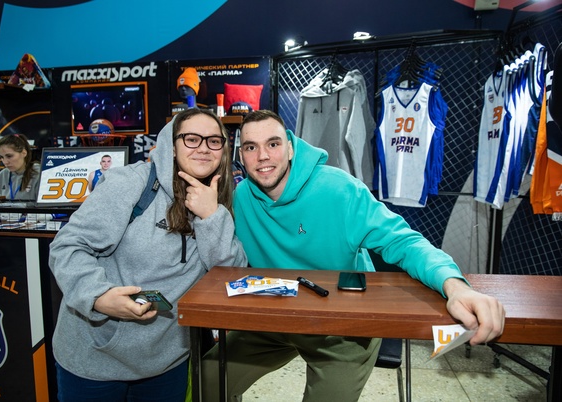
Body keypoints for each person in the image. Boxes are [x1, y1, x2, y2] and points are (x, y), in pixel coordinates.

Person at [202, 110, 505, 402]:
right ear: (240, 155)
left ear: (291, 148)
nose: (262, 156)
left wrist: (456, 286)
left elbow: (404, 242)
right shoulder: (241, 198)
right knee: (206, 379)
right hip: (278, 320)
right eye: (251, 147)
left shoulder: (340, 190)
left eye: (273, 144)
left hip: (344, 330)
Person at [48, 108, 248, 402]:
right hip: (96, 359)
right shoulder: (131, 183)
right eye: (192, 139)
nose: (204, 148)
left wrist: (211, 216)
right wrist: (97, 296)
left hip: (166, 361)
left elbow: (230, 276)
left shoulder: (221, 196)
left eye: (214, 141)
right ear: (172, 144)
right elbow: (68, 246)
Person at [0, 134, 40, 201]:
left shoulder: (39, 173)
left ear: (24, 153)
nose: (5, 162)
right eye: (1, 157)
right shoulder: (3, 174)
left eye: (9, 156)